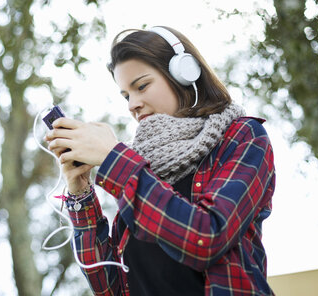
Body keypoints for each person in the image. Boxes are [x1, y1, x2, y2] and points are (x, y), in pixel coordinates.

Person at [46, 26, 275, 296]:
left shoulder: (242, 137)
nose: (132, 104)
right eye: (126, 96)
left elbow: (209, 236)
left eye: (141, 86)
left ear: (184, 74)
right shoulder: (139, 169)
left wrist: (113, 158)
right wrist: (81, 191)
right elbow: (111, 289)